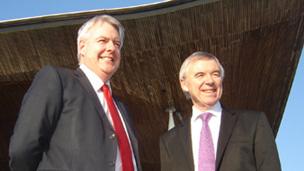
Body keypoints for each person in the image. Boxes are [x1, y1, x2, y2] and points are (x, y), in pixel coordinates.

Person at [9, 15, 141, 171]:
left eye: (117, 44)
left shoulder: (121, 107)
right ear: (82, 47)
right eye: (102, 41)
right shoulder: (58, 80)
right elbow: (23, 148)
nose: (112, 48)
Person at [159, 51, 281, 171]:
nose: (210, 81)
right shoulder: (169, 141)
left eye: (216, 74)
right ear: (184, 84)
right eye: (200, 75)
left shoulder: (253, 123)